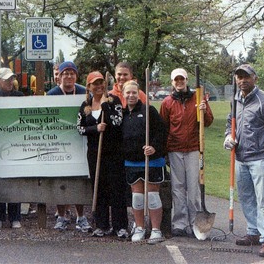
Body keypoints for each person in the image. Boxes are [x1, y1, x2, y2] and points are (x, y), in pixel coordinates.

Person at [223, 64, 264, 258]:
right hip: (240, 158)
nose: (242, 80)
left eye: (246, 76)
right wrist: (227, 137)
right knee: (246, 198)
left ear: (255, 78)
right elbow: (230, 121)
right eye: (239, 77)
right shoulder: (235, 100)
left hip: (261, 158)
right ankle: (254, 232)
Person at [159, 68, 213, 237]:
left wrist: (204, 110)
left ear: (187, 80)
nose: (179, 82)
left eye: (182, 79)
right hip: (175, 149)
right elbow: (163, 128)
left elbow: (209, 122)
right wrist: (165, 151)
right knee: (178, 188)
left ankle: (194, 223)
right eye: (176, 80)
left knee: (194, 188)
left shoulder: (198, 98)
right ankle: (180, 223)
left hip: (194, 149)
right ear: (172, 82)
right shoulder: (167, 103)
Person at [77, 71, 128, 238]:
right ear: (89, 87)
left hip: (113, 152)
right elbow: (80, 128)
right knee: (99, 188)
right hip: (94, 153)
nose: (99, 86)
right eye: (95, 84)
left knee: (117, 189)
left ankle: (120, 226)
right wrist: (95, 129)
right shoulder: (85, 105)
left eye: (101, 83)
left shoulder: (114, 101)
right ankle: (101, 224)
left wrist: (106, 106)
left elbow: (117, 122)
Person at [47, 61, 92, 232]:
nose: (69, 76)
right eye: (65, 73)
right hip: (59, 141)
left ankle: (81, 216)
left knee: (79, 179)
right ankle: (61, 216)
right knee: (61, 179)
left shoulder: (83, 92)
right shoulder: (52, 94)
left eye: (72, 73)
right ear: (59, 75)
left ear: (76, 76)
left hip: (80, 140)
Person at [121, 81, 167, 243]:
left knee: (153, 196)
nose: (131, 96)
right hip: (132, 162)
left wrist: (153, 147)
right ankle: (139, 227)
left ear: (139, 93)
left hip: (151, 161)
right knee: (137, 197)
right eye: (128, 93)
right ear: (123, 94)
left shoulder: (149, 111)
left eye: (134, 92)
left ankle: (156, 230)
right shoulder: (123, 113)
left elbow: (162, 131)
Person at [0, 67, 24, 229]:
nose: (11, 82)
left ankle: (15, 216)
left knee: (15, 179)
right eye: (7, 79)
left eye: (12, 79)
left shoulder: (20, 96)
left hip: (16, 143)